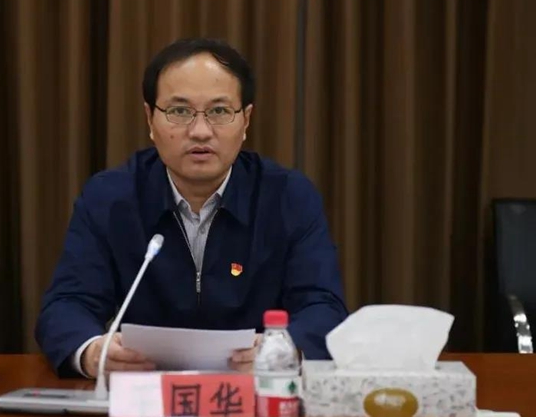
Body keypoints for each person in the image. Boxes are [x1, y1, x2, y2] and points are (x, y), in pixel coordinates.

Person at [36, 37, 348, 378]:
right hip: (143, 395)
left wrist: (284, 350)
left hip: (256, 393)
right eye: (180, 111)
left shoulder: (288, 197)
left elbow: (323, 307)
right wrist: (92, 352)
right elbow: (67, 305)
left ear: (246, 120)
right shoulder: (110, 197)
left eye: (219, 111)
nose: (200, 132)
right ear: (150, 119)